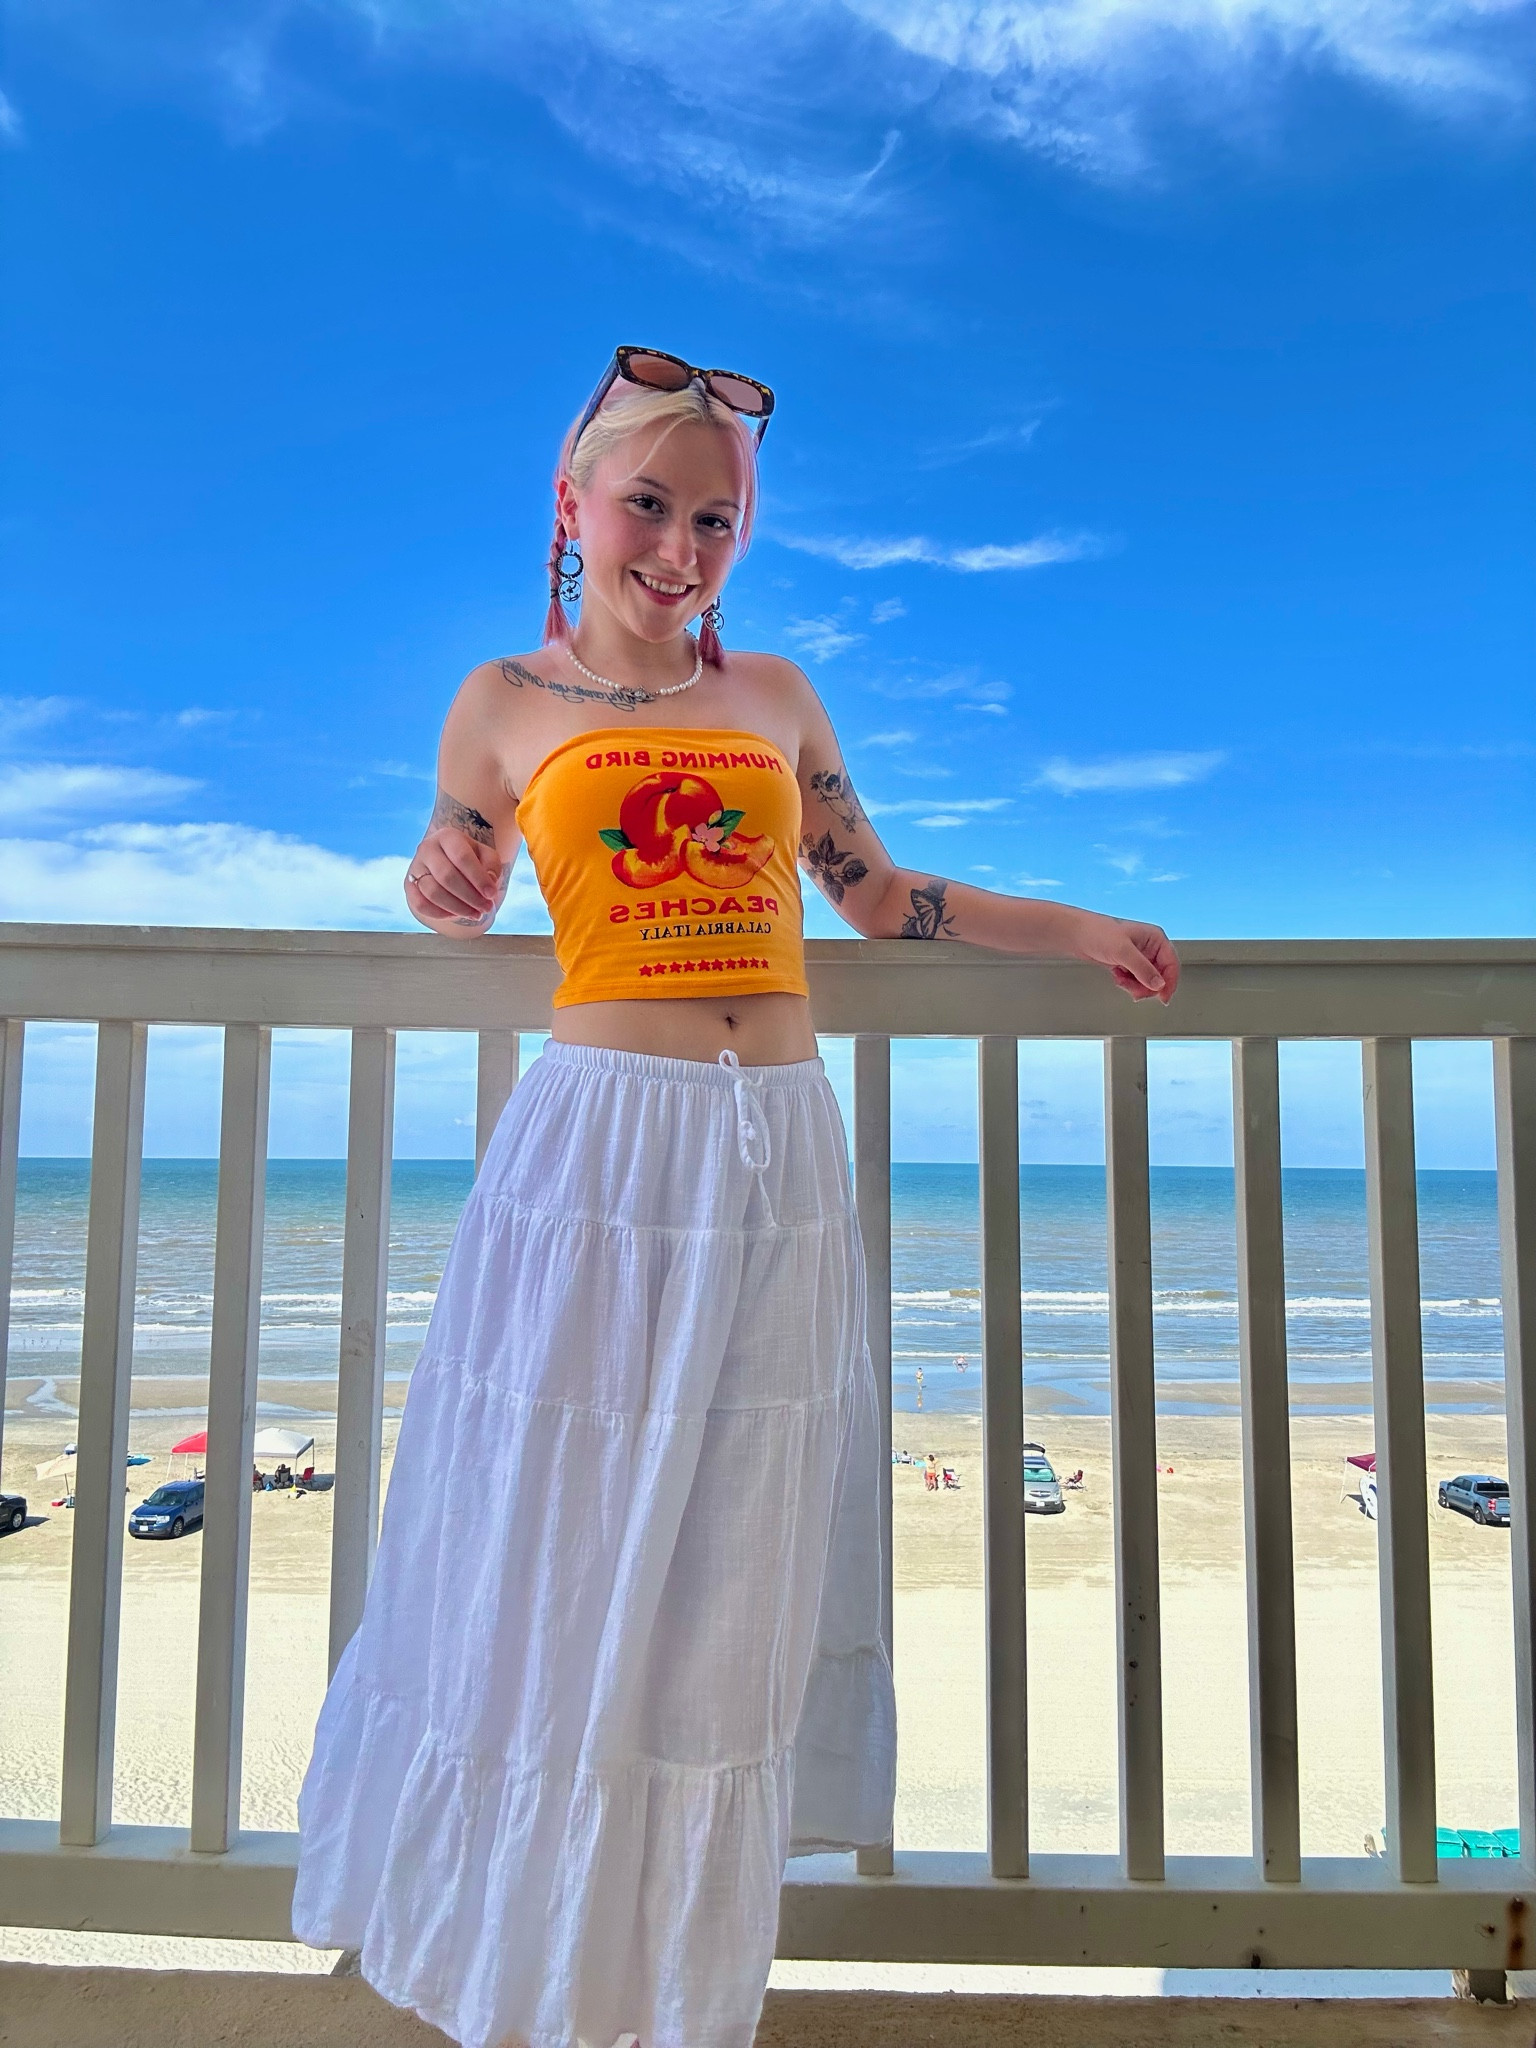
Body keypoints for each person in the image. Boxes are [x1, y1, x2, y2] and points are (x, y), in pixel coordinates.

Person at [289, 345, 1179, 2048]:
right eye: (648, 506)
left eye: (717, 518)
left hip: (774, 1151)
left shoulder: (772, 695)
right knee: (553, 1542)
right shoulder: (500, 699)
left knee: (726, 1571)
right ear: (574, 505)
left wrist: (1075, 929)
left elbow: (876, 891)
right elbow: (452, 877)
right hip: (597, 1158)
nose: (679, 549)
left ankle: (663, 2001)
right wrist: (436, 878)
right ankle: (517, 1970)